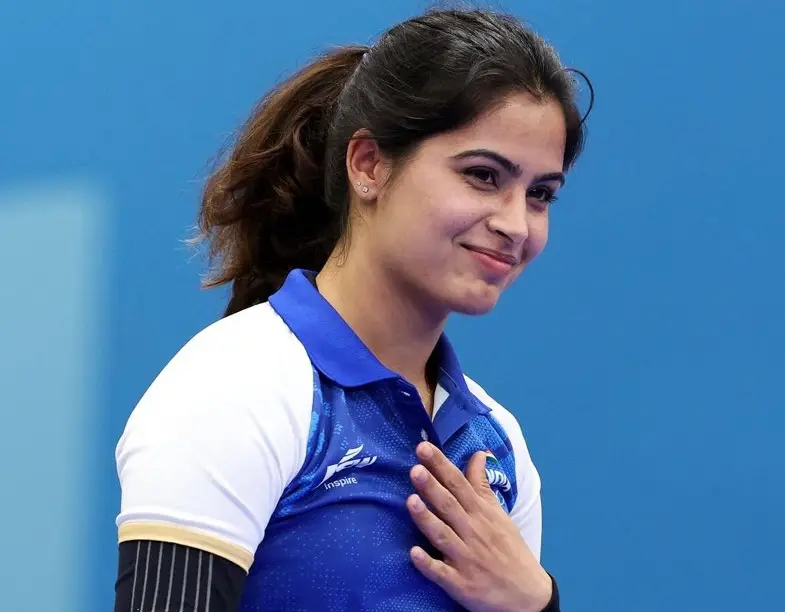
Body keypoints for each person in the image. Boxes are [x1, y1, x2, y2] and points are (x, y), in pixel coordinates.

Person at [112, 8, 590, 612]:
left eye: (540, 194)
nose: (515, 224)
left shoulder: (497, 442)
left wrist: (536, 603)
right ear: (368, 165)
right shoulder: (234, 386)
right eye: (482, 175)